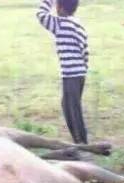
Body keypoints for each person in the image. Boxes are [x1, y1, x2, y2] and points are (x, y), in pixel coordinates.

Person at [37, 0, 89, 144]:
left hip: (71, 75)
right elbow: (85, 50)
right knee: (68, 106)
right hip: (80, 74)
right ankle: (79, 141)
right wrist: (83, 67)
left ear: (59, 8)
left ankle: (82, 145)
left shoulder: (60, 24)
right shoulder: (77, 23)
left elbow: (41, 15)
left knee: (73, 110)